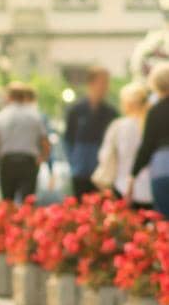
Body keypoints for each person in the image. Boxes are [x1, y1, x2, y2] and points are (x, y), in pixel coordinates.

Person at [0, 83, 50, 201]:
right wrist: (42, 158)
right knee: (27, 203)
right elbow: (45, 143)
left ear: (8, 97)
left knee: (7, 204)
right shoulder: (35, 116)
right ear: (23, 96)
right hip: (28, 163)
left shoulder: (0, 117)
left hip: (7, 163)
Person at [93, 81, 153, 204]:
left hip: (123, 187)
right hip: (152, 189)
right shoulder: (154, 125)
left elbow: (105, 156)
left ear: (126, 103)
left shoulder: (118, 126)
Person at [64, 68, 117, 199]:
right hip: (80, 169)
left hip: (102, 172)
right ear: (91, 83)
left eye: (107, 82)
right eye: (102, 82)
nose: (105, 86)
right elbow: (68, 139)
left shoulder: (111, 113)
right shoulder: (76, 110)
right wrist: (73, 161)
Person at [127, 63, 169, 218]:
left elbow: (147, 146)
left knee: (163, 220)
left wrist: (132, 176)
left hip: (161, 170)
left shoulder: (154, 112)